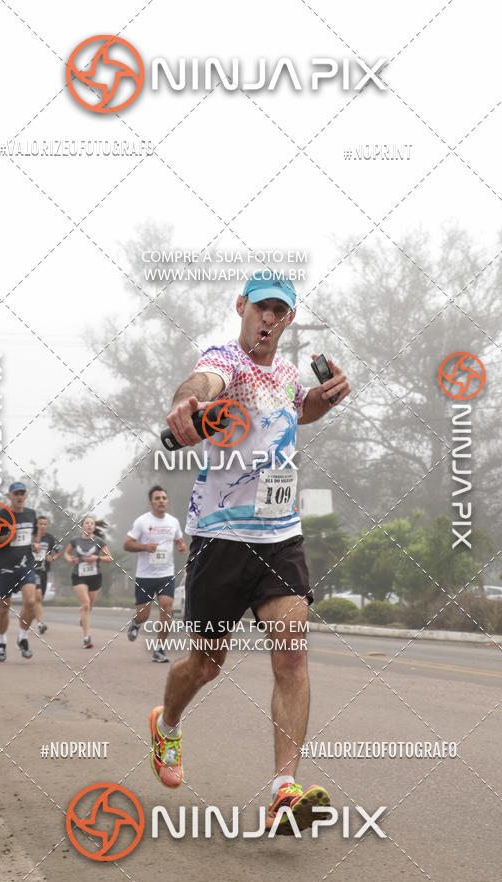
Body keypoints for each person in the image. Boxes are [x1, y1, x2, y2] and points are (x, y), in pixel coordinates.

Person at [149, 270, 350, 834]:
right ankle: (166, 727)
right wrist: (186, 405)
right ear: (241, 306)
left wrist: (326, 397)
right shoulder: (226, 359)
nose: (269, 319)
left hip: (280, 537)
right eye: (261, 308)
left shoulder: (286, 375)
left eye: (280, 312)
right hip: (220, 539)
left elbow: (299, 409)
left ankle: (284, 790)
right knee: (206, 665)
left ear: (289, 319)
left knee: (292, 654)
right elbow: (199, 385)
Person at [123, 486, 187, 663]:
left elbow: (179, 540)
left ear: (167, 501)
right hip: (145, 576)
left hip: (166, 574)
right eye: (157, 498)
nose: (161, 501)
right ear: (151, 503)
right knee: (143, 615)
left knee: (167, 609)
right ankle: (136, 623)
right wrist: (144, 547)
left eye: (164, 498)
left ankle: (159, 648)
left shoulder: (173, 521)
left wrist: (181, 546)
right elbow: (127, 544)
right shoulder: (141, 522)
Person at [0, 482, 40, 662]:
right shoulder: (0, 516)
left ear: (26, 495)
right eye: (16, 493)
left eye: (22, 493)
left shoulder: (31, 514)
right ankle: (2, 642)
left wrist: (35, 544)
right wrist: (7, 537)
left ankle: (22, 638)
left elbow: (34, 534)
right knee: (4, 607)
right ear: (9, 496)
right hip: (5, 567)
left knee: (31, 600)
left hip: (26, 564)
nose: (19, 496)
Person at [64, 516, 112, 649]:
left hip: (95, 577)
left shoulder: (98, 541)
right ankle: (86, 638)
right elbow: (66, 553)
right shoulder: (75, 540)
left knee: (89, 607)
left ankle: (83, 618)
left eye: (92, 523)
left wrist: (96, 557)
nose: (90, 525)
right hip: (79, 576)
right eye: (87, 523)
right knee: (85, 605)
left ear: (94, 527)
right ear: (82, 526)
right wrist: (70, 559)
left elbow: (109, 558)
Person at [33, 515, 61, 635]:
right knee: (38, 596)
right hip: (32, 571)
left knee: (39, 599)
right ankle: (40, 624)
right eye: (40, 524)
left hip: (44, 571)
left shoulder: (50, 538)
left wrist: (53, 558)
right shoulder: (31, 538)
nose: (42, 526)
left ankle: (33, 615)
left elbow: (59, 551)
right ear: (36, 525)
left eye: (45, 524)